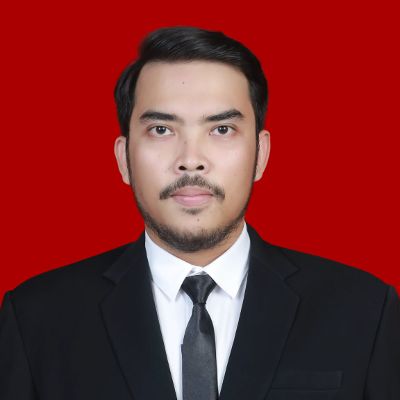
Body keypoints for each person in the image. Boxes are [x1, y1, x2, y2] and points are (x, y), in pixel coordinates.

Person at [0, 26, 399, 400]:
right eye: (161, 130)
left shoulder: (365, 310)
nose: (191, 160)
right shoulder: (37, 317)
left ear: (261, 154)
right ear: (123, 159)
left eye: (221, 129)